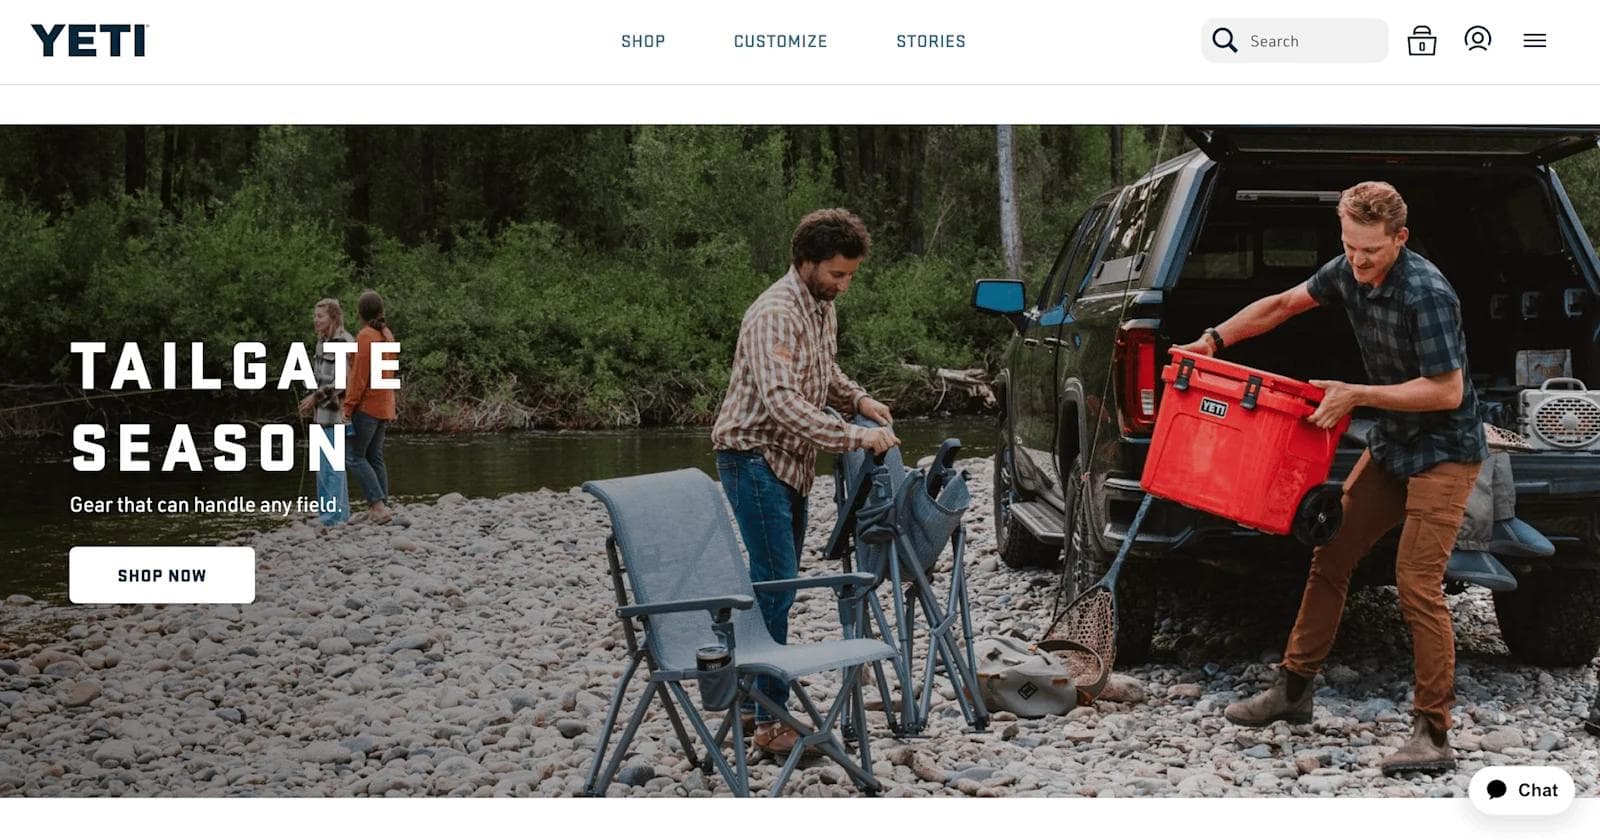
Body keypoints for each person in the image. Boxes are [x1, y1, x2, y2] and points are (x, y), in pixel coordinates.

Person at [1175, 182, 1486, 776]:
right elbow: (1282, 304)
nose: (1359, 261)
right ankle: (1292, 691)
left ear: (1400, 237)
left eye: (1371, 250)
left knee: (1416, 583)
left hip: (1445, 451)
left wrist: (1356, 396)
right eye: (1350, 247)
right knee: (1331, 551)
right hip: (1393, 444)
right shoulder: (1347, 268)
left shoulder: (1428, 293)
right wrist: (1213, 341)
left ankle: (1433, 732)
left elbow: (1447, 390)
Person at [711, 208, 900, 756]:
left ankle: (752, 700)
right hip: (752, 455)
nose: (844, 285)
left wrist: (859, 399)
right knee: (774, 583)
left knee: (779, 583)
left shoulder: (820, 307)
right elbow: (783, 402)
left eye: (850, 276)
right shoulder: (775, 312)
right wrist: (855, 436)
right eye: (837, 274)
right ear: (806, 262)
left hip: (788, 462)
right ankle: (763, 716)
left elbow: (822, 374)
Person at [342, 289, 399, 525]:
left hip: (368, 405)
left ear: (359, 313)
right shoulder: (387, 334)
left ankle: (377, 505)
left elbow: (359, 377)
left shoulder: (365, 336)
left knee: (354, 457)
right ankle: (380, 505)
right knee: (374, 456)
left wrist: (348, 407)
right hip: (386, 403)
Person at [297, 298, 353, 527]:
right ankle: (331, 512)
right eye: (315, 316)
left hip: (336, 414)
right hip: (320, 414)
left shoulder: (343, 341)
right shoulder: (322, 342)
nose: (315, 320)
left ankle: (334, 517)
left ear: (334, 317)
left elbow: (342, 382)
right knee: (322, 466)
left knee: (333, 466)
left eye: (320, 316)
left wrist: (314, 398)